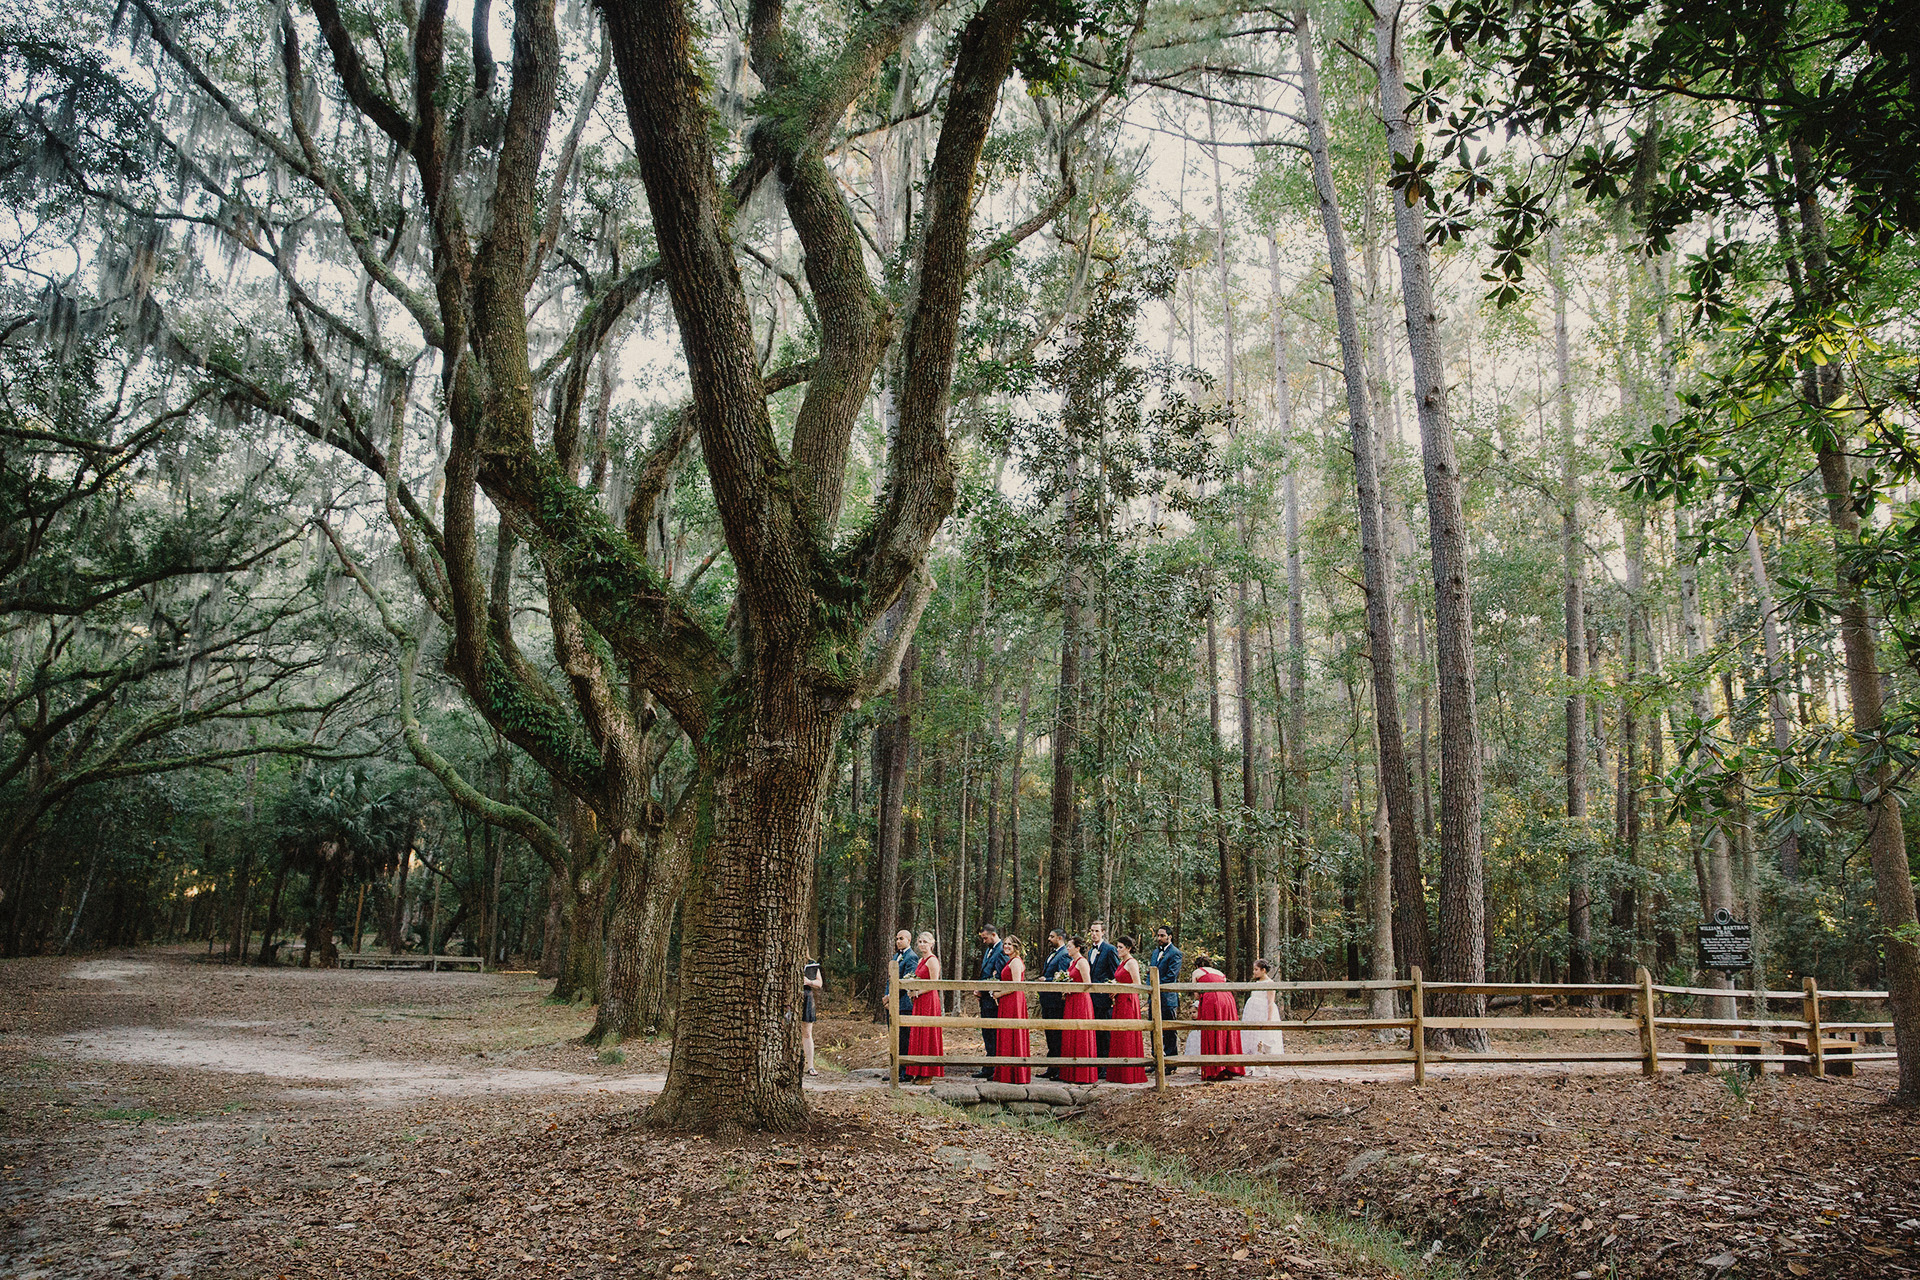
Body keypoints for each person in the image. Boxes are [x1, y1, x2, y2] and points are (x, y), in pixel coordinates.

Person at [1192, 952, 1245, 1082]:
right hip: (1227, 999)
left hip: (1212, 999)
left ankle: (1214, 1070)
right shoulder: (1220, 973)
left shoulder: (1197, 972)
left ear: (1198, 965)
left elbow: (1196, 994)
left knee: (1211, 1030)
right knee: (1227, 1031)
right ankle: (1228, 1068)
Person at [1107, 935, 1148, 1084]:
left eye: (1121, 947)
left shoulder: (1131, 963)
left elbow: (1137, 984)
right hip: (1119, 1001)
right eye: (1117, 947)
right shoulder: (1121, 962)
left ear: (1128, 948)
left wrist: (1119, 989)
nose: (1118, 950)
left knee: (1127, 1035)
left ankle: (1129, 1073)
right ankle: (1117, 1072)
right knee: (1118, 1034)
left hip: (1128, 1001)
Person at [903, 931, 945, 1079]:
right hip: (919, 1000)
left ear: (932, 944)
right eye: (920, 942)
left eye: (925, 942)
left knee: (928, 1033)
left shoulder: (932, 960)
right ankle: (918, 1071)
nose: (922, 944)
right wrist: (912, 990)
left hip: (929, 999)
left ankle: (928, 1073)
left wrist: (918, 992)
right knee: (918, 1033)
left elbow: (934, 984)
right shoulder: (921, 960)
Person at [1057, 936, 1098, 1084]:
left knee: (1080, 1033)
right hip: (1071, 1000)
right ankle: (1069, 1072)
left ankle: (1083, 1073)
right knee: (1070, 1033)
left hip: (1080, 1000)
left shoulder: (1082, 962)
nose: (1067, 948)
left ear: (1077, 948)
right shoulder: (1072, 962)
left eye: (1069, 946)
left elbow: (1087, 984)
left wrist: (1072, 989)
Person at [991, 936, 1031, 1084]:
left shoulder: (1015, 962)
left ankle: (1015, 1073)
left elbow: (1015, 985)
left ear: (1016, 946)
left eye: (1009, 944)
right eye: (1005, 944)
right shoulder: (1010, 961)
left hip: (1013, 1001)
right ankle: (1005, 1072)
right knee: (1006, 1034)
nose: (1006, 946)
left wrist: (999, 994)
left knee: (1013, 1033)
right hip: (1007, 1000)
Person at [972, 923, 1007, 1079]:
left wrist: (985, 989)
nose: (984, 941)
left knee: (993, 1033)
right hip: (985, 998)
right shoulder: (989, 950)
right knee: (987, 1032)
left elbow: (998, 976)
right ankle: (988, 1066)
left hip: (993, 999)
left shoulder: (1001, 951)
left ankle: (993, 1068)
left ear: (993, 935)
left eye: (985, 938)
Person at [1241, 957, 1285, 1075]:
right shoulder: (1256, 983)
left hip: (1263, 1011)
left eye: (1256, 969)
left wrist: (1269, 1019)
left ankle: (1264, 1066)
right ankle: (1250, 1065)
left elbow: (1270, 1001)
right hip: (1253, 1011)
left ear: (1263, 970)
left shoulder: (1269, 983)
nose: (1254, 972)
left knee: (1264, 1038)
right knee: (1251, 1037)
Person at [1086, 919, 1119, 1071]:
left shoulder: (1110, 949)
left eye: (1097, 931)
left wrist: (1112, 990)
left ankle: (1105, 1067)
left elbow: (1115, 973)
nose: (1093, 934)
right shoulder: (1089, 951)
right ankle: (1097, 1064)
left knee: (1105, 1032)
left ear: (1103, 932)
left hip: (1104, 998)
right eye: (1092, 931)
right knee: (1095, 1031)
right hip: (1091, 997)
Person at [1148, 926, 1184, 1070]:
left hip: (1167, 998)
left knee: (1169, 1031)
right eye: (1158, 935)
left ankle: (1170, 1063)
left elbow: (1171, 975)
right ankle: (1156, 1060)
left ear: (1169, 936)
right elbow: (1150, 972)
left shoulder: (1175, 953)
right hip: (1153, 996)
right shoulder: (1155, 952)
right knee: (1153, 1029)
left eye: (1162, 935)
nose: (1159, 938)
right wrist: (1149, 987)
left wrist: (1157, 987)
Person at [1038, 929, 1070, 1079]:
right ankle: (1051, 1067)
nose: (1049, 939)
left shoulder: (1064, 955)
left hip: (1056, 1002)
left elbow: (1063, 977)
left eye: (1051, 936)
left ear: (1060, 938)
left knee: (1056, 1036)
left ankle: (1057, 1068)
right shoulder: (1054, 954)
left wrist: (1047, 981)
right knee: (1050, 1035)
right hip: (1047, 1001)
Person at [892, 928, 918, 1077]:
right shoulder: (896, 956)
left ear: (909, 940)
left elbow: (907, 981)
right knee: (894, 1038)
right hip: (893, 1002)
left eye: (901, 938)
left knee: (904, 1038)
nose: (898, 941)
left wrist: (892, 996)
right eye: (897, 939)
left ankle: (905, 1071)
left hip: (904, 1003)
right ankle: (895, 1069)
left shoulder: (911, 957)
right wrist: (887, 997)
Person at [801, 957, 824, 1077]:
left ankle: (810, 1065)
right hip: (789, 998)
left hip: (806, 997)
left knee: (807, 1032)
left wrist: (808, 982)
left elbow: (819, 983)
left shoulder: (811, 963)